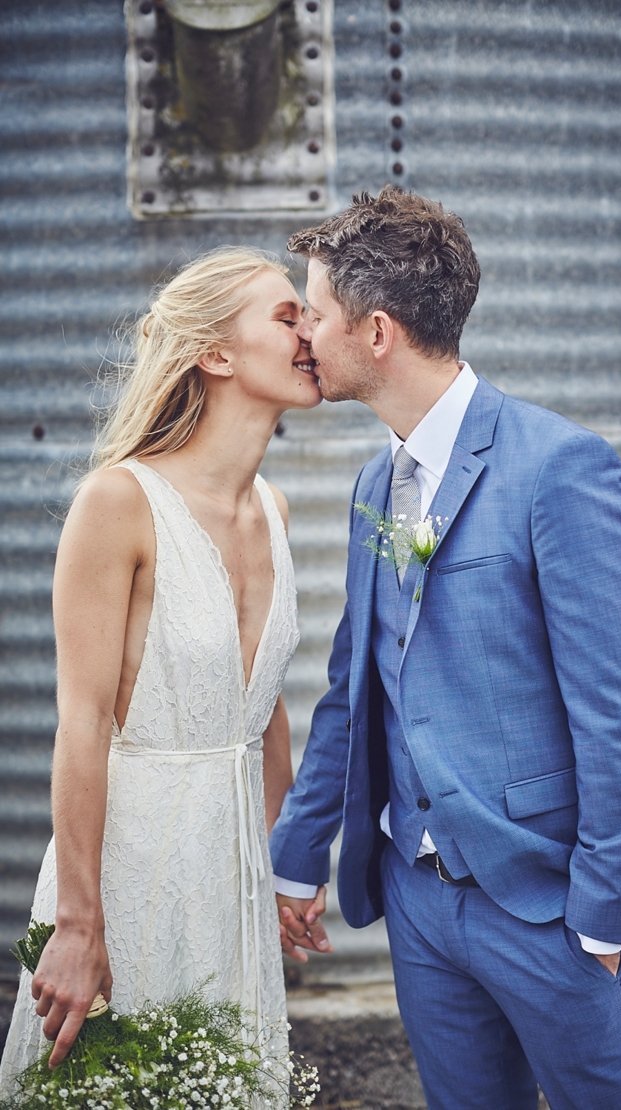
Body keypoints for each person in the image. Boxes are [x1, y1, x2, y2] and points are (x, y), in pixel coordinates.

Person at [269, 186, 621, 1109]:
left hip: (549, 907)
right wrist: (299, 852)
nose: (304, 336)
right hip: (418, 905)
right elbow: (354, 689)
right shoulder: (375, 483)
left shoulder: (558, 467)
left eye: (316, 314)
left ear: (377, 331)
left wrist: (604, 921)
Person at [0, 246, 321, 1100]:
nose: (311, 332)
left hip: (233, 871)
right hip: (132, 867)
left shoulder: (274, 509)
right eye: (286, 316)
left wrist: (284, 862)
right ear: (215, 354)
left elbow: (261, 705)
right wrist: (77, 924)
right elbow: (82, 723)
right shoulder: (119, 503)